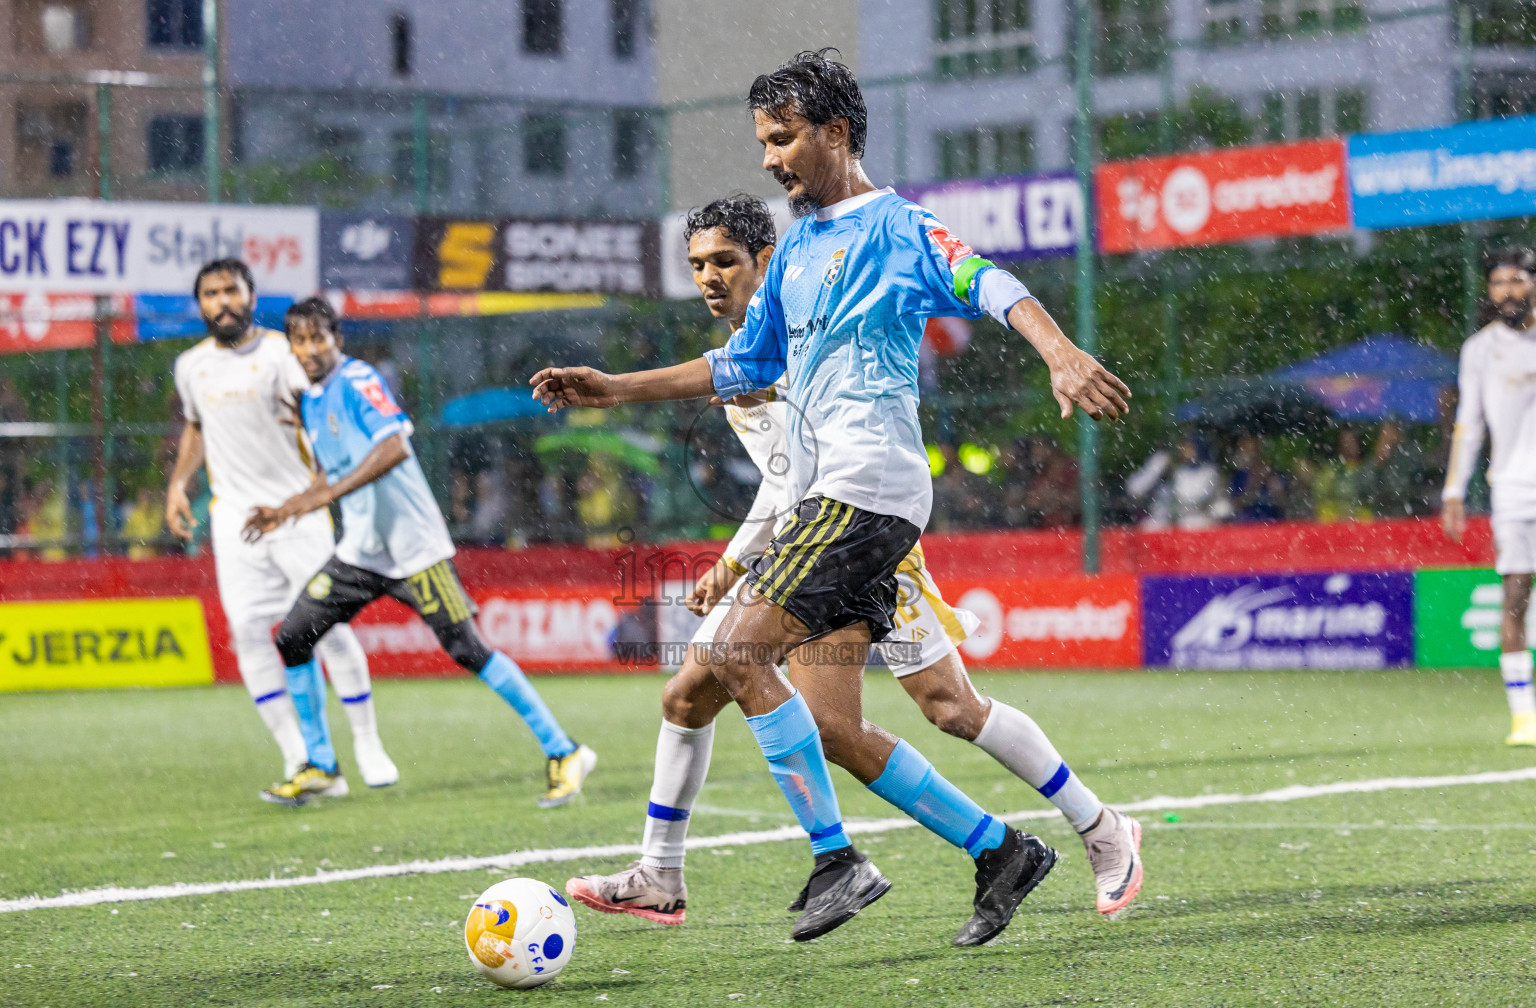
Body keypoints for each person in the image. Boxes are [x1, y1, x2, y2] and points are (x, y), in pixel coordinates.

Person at [533, 51, 1132, 945]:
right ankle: (997, 852)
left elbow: (990, 282)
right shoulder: (800, 249)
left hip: (867, 496)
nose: (770, 159)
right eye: (764, 143)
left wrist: (1058, 351)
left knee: (741, 659)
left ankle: (839, 859)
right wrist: (613, 388)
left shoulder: (897, 228)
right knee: (829, 713)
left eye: (782, 139)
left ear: (836, 133)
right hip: (837, 508)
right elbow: (742, 362)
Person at [243, 297, 597, 807]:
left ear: (336, 339)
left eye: (319, 337)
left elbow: (391, 449)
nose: (310, 348)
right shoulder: (313, 400)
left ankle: (564, 751)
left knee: (469, 650)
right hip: (361, 552)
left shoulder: (359, 380)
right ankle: (320, 764)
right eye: (300, 339)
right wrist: (288, 508)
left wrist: (323, 496)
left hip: (415, 552)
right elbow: (332, 471)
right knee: (294, 638)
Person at [165, 259, 395, 802]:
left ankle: (367, 744)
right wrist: (178, 484)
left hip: (297, 516)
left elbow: (320, 408)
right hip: (232, 521)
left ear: (250, 295)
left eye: (231, 290)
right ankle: (305, 760)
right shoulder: (190, 366)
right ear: (200, 304)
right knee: (248, 633)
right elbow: (197, 426)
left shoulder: (281, 354)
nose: (222, 302)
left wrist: (322, 480)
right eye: (211, 294)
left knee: (329, 630)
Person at [1442, 245, 1536, 747]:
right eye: (1499, 282)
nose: (1508, 291)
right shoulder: (1479, 349)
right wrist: (1454, 489)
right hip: (1514, 492)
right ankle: (1524, 718)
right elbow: (1469, 424)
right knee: (1515, 598)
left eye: (1518, 280)